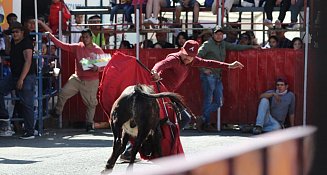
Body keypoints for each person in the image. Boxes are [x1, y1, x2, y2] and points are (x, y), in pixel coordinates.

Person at [120, 39, 244, 161]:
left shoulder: (192, 61)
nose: (187, 58)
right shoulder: (175, 58)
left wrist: (228, 65)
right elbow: (162, 64)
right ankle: (130, 150)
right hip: (158, 94)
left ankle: (147, 147)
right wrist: (155, 71)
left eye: (190, 56)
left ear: (194, 56)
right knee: (161, 122)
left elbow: (209, 63)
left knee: (181, 119)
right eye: (185, 55)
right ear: (181, 50)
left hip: (167, 96)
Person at [197, 25, 259, 132]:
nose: (219, 36)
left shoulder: (223, 44)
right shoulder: (207, 44)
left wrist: (251, 47)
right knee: (209, 100)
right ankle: (205, 123)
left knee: (218, 102)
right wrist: (203, 70)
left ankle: (202, 119)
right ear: (213, 35)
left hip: (217, 76)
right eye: (217, 34)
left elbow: (236, 47)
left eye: (221, 34)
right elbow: (197, 57)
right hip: (209, 76)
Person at [48, 28, 105, 132]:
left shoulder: (98, 50)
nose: (85, 39)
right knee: (63, 93)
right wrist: (52, 37)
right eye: (83, 37)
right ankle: (57, 111)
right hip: (77, 78)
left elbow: (106, 64)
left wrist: (98, 68)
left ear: (91, 38)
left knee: (91, 104)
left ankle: (89, 124)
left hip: (91, 80)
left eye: (87, 37)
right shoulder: (78, 46)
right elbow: (63, 45)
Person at [0, 22, 36, 139]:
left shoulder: (26, 43)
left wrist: (21, 79)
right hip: (14, 74)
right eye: (13, 32)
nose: (14, 34)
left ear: (22, 32)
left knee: (27, 103)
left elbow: (28, 61)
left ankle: (30, 131)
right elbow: (7, 52)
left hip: (26, 75)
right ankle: (4, 115)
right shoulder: (13, 42)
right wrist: (6, 38)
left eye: (16, 32)